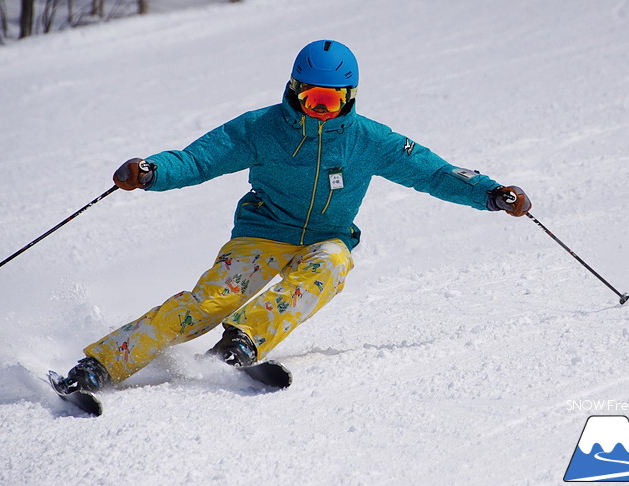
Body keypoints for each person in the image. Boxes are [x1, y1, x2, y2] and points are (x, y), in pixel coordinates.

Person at [58, 40, 532, 393]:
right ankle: (102, 364)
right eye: (311, 100)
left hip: (326, 237)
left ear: (350, 98)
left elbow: (434, 172)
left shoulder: (369, 140)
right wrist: (151, 171)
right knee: (208, 304)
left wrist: (491, 193)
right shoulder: (260, 128)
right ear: (294, 90)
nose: (320, 112)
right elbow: (198, 158)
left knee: (330, 266)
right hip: (262, 234)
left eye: (331, 102)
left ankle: (242, 342)